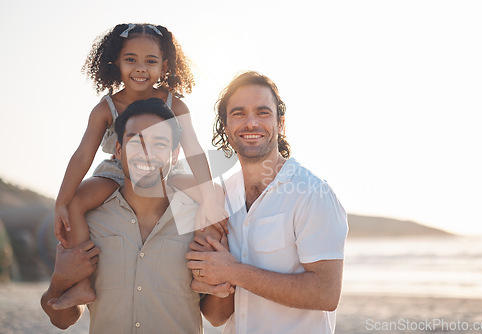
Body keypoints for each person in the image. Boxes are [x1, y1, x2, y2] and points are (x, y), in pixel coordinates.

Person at [51, 23, 227, 310]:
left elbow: (193, 151)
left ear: (165, 66)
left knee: (213, 196)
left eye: (151, 61)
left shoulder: (175, 105)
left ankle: (204, 273)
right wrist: (61, 201)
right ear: (115, 63)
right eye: (130, 59)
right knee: (76, 202)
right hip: (117, 170)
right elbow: (83, 155)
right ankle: (81, 282)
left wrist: (207, 197)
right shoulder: (106, 108)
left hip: (164, 168)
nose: (140, 68)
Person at [41, 98, 233, 333]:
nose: (146, 153)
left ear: (175, 155)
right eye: (135, 142)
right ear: (118, 150)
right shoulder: (89, 220)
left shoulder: (200, 219)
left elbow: (217, 316)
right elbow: (62, 320)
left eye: (159, 144)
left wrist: (224, 280)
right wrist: (59, 281)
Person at [186, 71, 349, 333]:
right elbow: (217, 317)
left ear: (280, 123)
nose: (251, 123)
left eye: (262, 112)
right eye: (238, 113)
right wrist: (214, 279)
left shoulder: (312, 193)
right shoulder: (221, 198)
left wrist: (233, 272)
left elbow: (326, 294)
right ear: (225, 128)